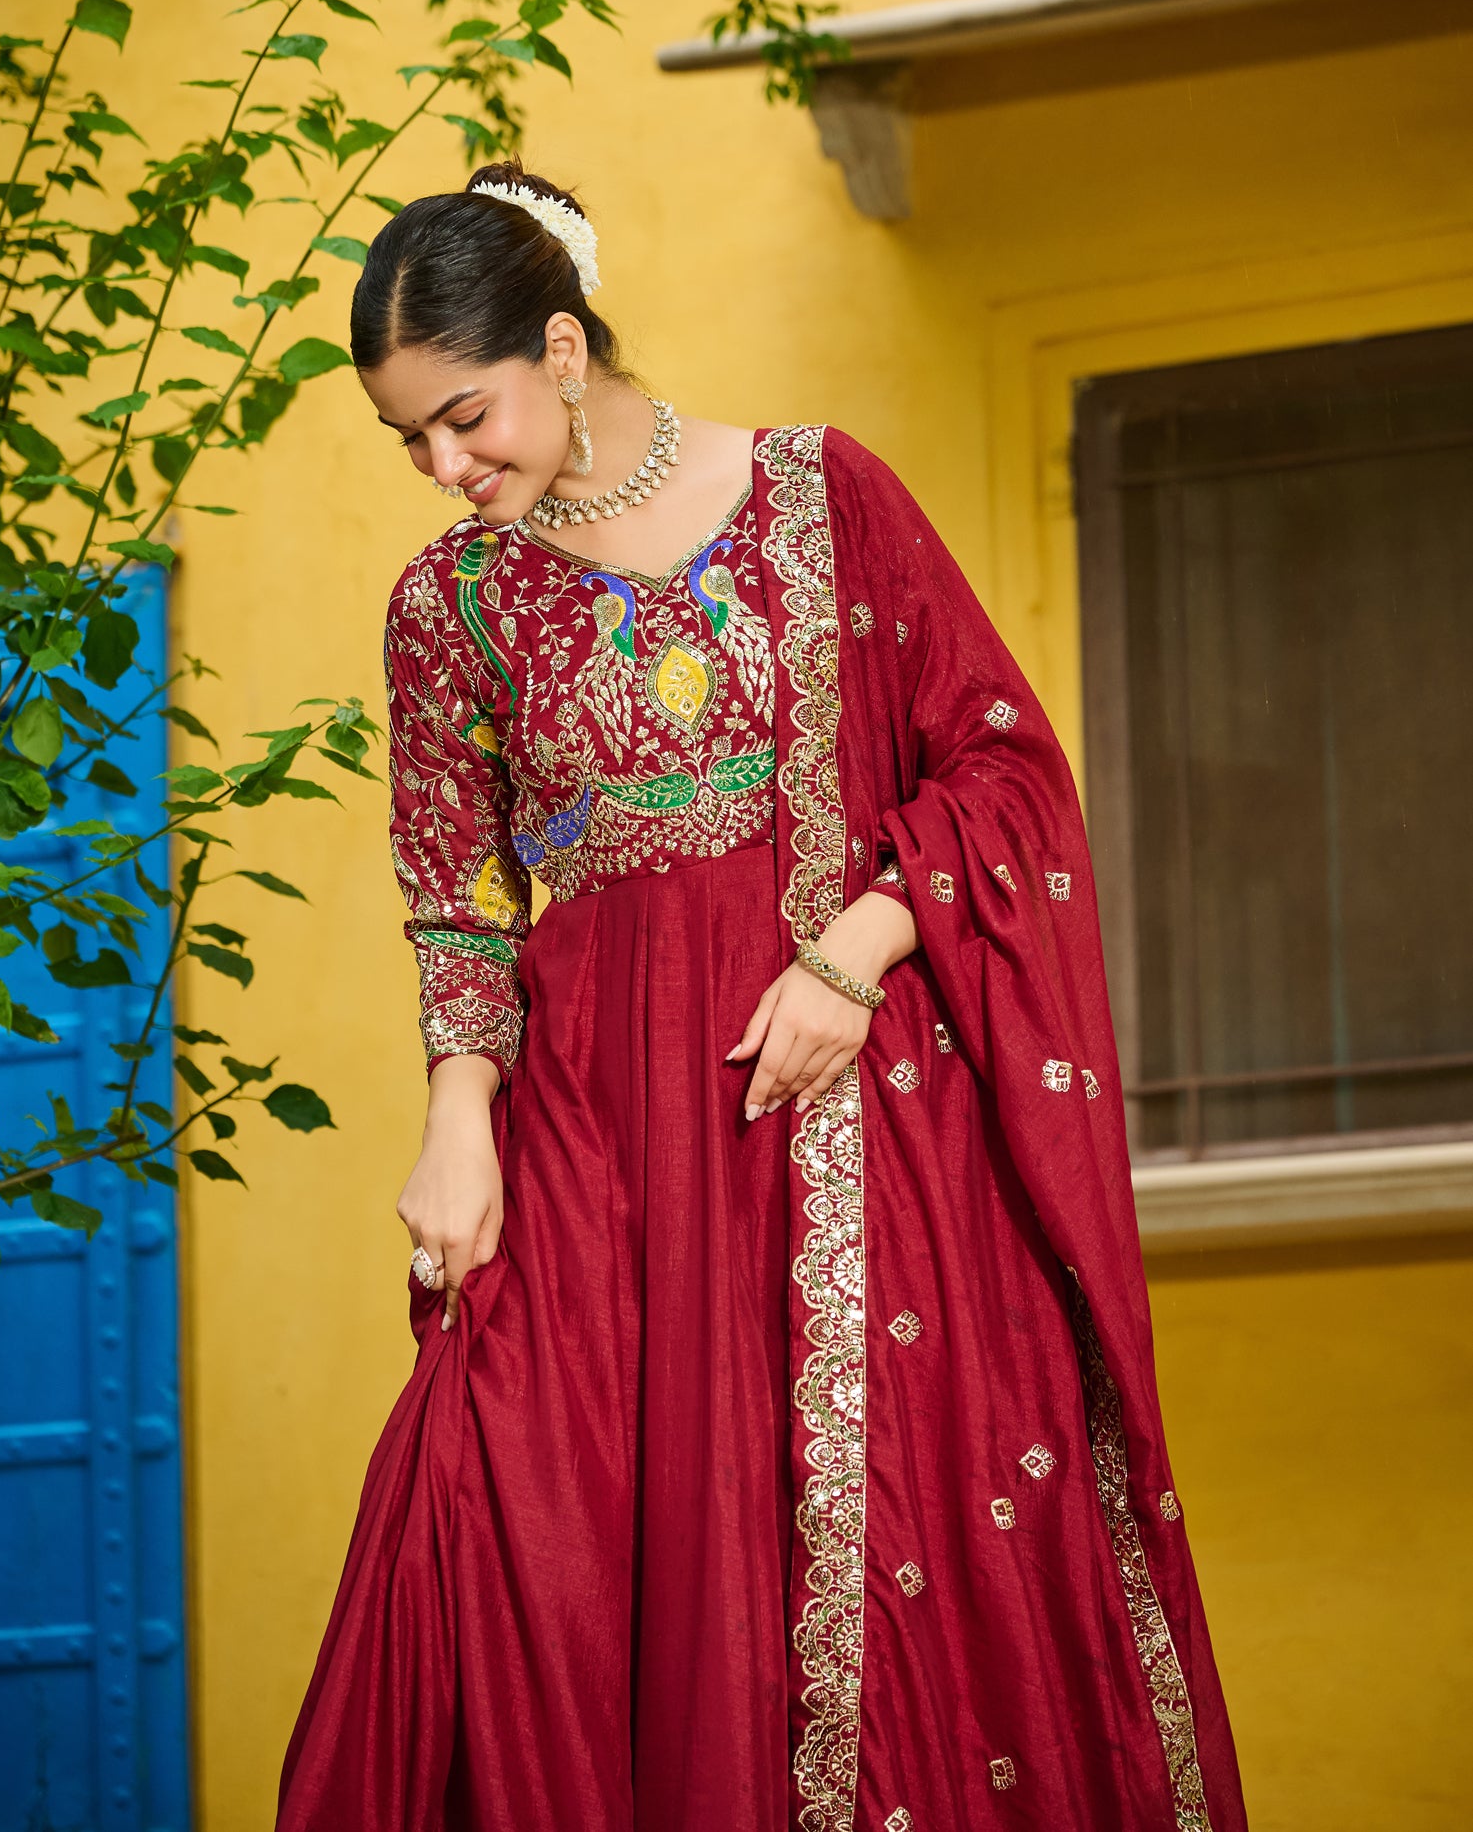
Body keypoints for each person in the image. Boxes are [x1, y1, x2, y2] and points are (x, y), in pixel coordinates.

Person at [275, 161, 1248, 1832]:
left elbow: (1005, 776)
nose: (442, 467)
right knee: (491, 1522)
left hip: (846, 1131)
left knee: (867, 1553)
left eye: (464, 416)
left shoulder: (819, 495)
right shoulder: (447, 605)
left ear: (563, 351)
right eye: (409, 441)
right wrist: (457, 1124)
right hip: (590, 1153)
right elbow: (456, 895)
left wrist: (851, 952)